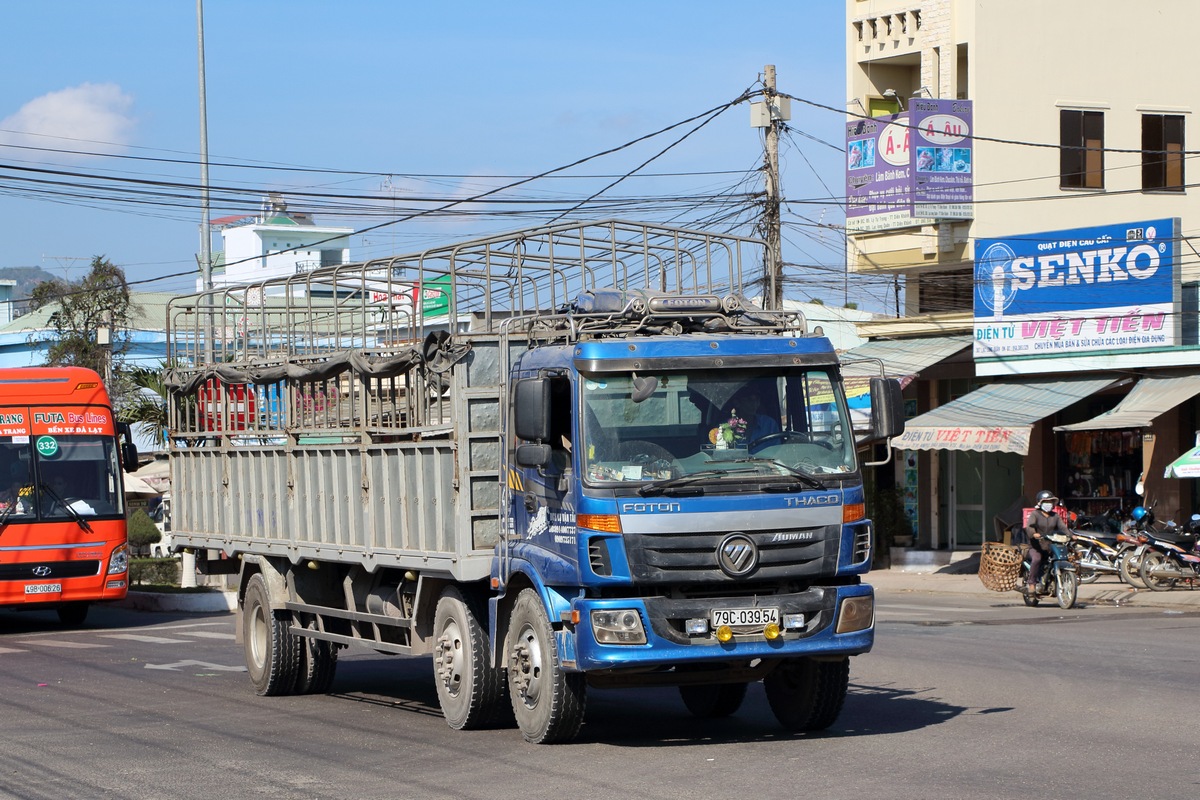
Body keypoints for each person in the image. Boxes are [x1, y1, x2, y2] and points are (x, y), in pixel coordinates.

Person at [1024, 489, 1068, 595]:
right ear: (1040, 503)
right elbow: (1029, 527)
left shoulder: (1055, 516)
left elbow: (1063, 527)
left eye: (1050, 502)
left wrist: (1072, 535)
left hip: (1050, 546)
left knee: (1060, 558)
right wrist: (1034, 534)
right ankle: (1032, 583)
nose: (1048, 504)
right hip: (1036, 546)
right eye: (1046, 502)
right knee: (1037, 559)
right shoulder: (1035, 514)